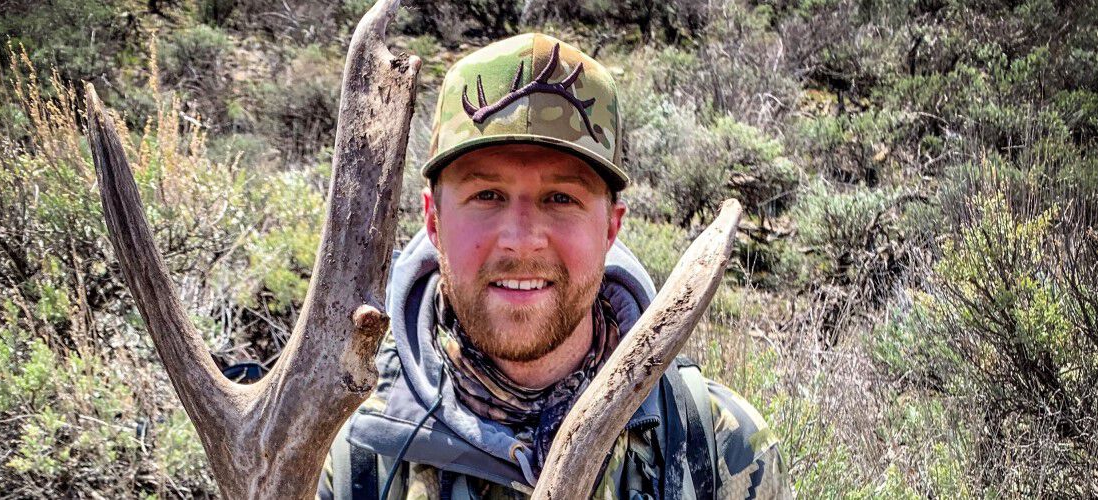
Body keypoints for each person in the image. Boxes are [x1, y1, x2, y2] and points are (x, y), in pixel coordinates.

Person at [318, 33, 792, 499]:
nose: (522, 240)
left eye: (561, 198)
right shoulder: (344, 450)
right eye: (487, 194)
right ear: (434, 221)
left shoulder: (721, 447)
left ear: (610, 228)